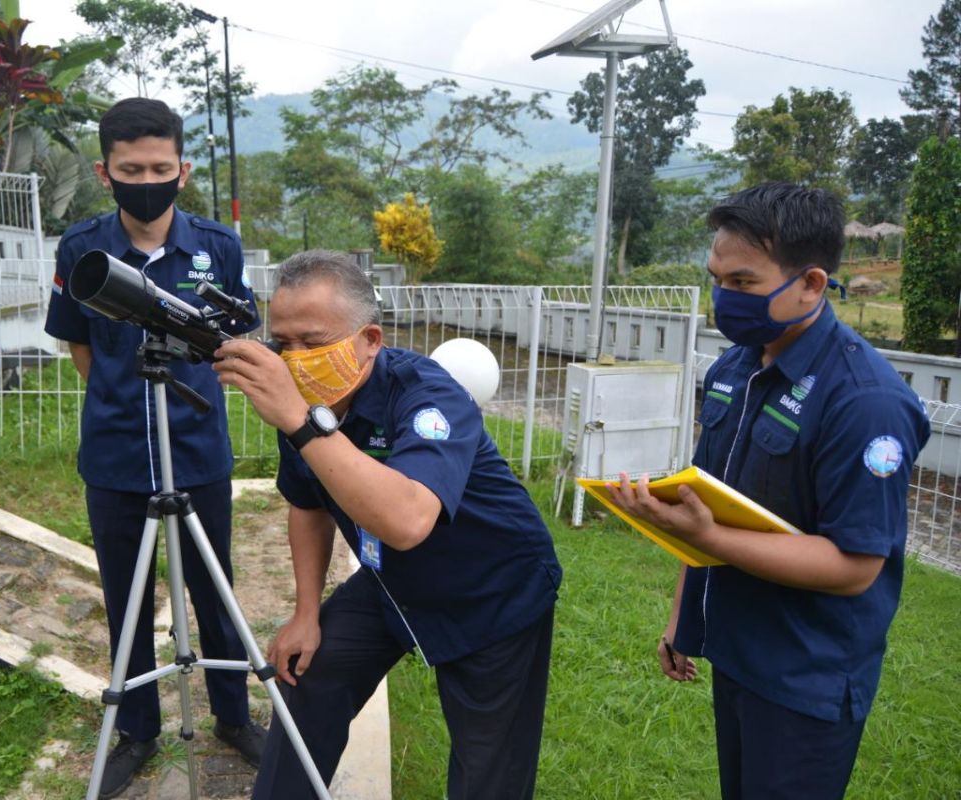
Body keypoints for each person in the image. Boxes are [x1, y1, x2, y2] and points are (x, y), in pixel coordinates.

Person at [608, 182, 931, 800]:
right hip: (738, 648)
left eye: (744, 284)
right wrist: (684, 615)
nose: (723, 298)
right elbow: (706, 498)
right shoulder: (736, 366)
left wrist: (708, 536)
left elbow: (855, 565)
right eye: (716, 279)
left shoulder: (865, 402)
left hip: (806, 676)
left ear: (812, 283)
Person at [212, 250, 562, 800]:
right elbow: (308, 503)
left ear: (369, 339)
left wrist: (301, 422)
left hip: (492, 589)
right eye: (283, 344)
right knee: (307, 674)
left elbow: (406, 520)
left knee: (487, 769)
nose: (295, 360)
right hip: (391, 581)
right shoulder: (303, 402)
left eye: (313, 341)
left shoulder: (428, 394)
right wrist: (307, 613)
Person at [44, 97, 265, 799]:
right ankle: (138, 729)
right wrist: (120, 397)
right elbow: (78, 341)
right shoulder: (83, 247)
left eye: (160, 167)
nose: (148, 178)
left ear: (182, 168)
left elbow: (237, 335)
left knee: (215, 588)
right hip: (114, 458)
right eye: (131, 168)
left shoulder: (216, 247)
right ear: (106, 172)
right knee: (127, 596)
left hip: (199, 452)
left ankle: (233, 713)